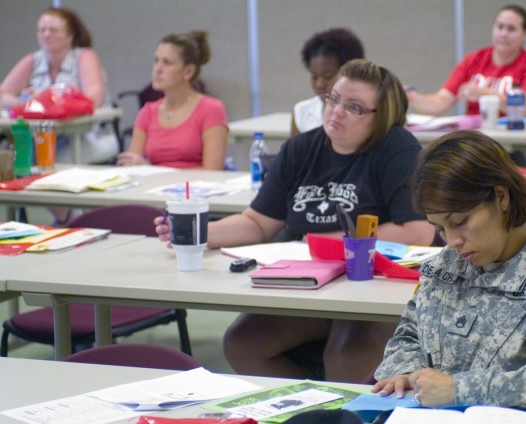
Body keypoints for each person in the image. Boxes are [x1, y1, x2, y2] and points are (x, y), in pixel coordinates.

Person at [156, 59, 436, 382]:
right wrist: (197, 232)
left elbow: (417, 231)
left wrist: (323, 243)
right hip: (311, 284)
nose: (336, 111)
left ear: (382, 116)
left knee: (344, 358)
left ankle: (341, 416)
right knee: (242, 344)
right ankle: (313, 410)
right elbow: (258, 223)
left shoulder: (396, 148)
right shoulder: (300, 149)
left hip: (372, 287)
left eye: (354, 107)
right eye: (333, 99)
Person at [372, 130, 526, 409]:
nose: (452, 241)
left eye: (459, 221)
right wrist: (406, 372)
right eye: (440, 229)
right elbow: (410, 333)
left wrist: (462, 389)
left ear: (501, 197)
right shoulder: (445, 265)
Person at [0, 7, 118, 165]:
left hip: (88, 137)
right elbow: (3, 94)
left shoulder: (84, 56)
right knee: (16, 161)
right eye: (42, 30)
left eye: (53, 30)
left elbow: (94, 98)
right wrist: (25, 103)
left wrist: (46, 102)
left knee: (46, 164)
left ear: (70, 35)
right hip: (43, 136)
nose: (46, 35)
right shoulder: (33, 60)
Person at [406, 4, 526, 118]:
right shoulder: (473, 60)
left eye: (511, 29)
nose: (503, 34)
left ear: (524, 34)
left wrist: (483, 93)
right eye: (499, 27)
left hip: (518, 139)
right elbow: (441, 101)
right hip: (477, 140)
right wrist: (411, 97)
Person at [117, 31, 228, 169]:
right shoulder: (147, 112)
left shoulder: (211, 109)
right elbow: (132, 165)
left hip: (194, 189)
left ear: (188, 72)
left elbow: (212, 171)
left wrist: (153, 171)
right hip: (153, 188)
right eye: (156, 60)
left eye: (167, 63)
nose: (157, 69)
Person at [290, 28, 364, 136]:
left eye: (328, 76)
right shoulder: (302, 111)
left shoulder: (364, 112)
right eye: (314, 77)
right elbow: (294, 153)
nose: (319, 84)